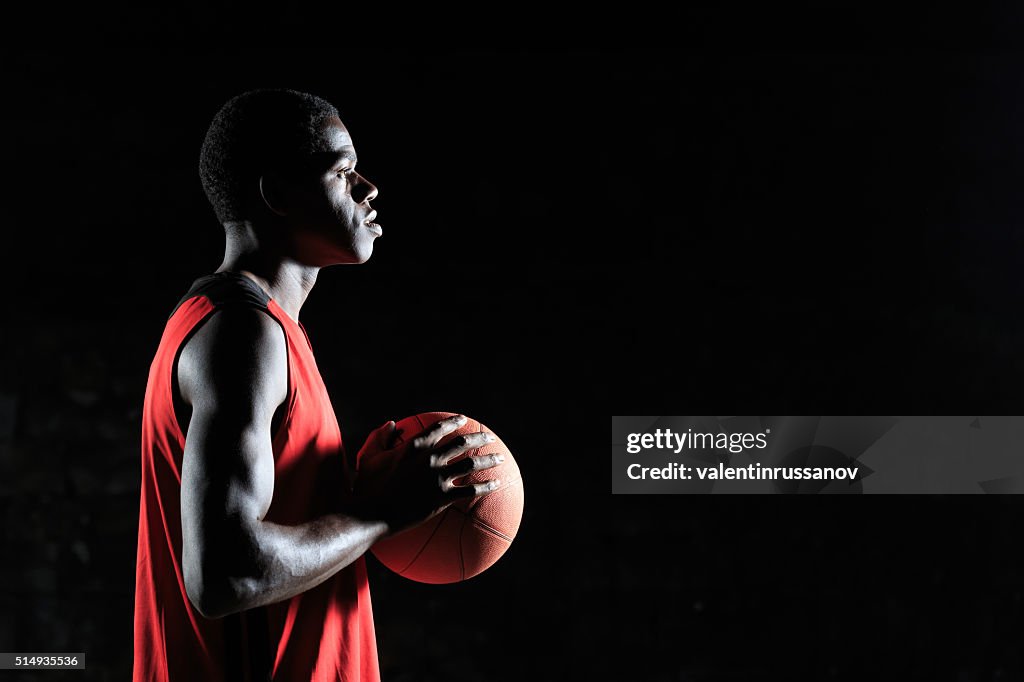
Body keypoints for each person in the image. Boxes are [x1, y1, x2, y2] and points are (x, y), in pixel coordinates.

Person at [132, 89, 503, 681]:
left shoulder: (269, 330)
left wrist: (354, 494)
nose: (368, 188)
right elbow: (228, 575)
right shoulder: (240, 334)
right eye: (341, 170)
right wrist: (382, 512)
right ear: (277, 194)